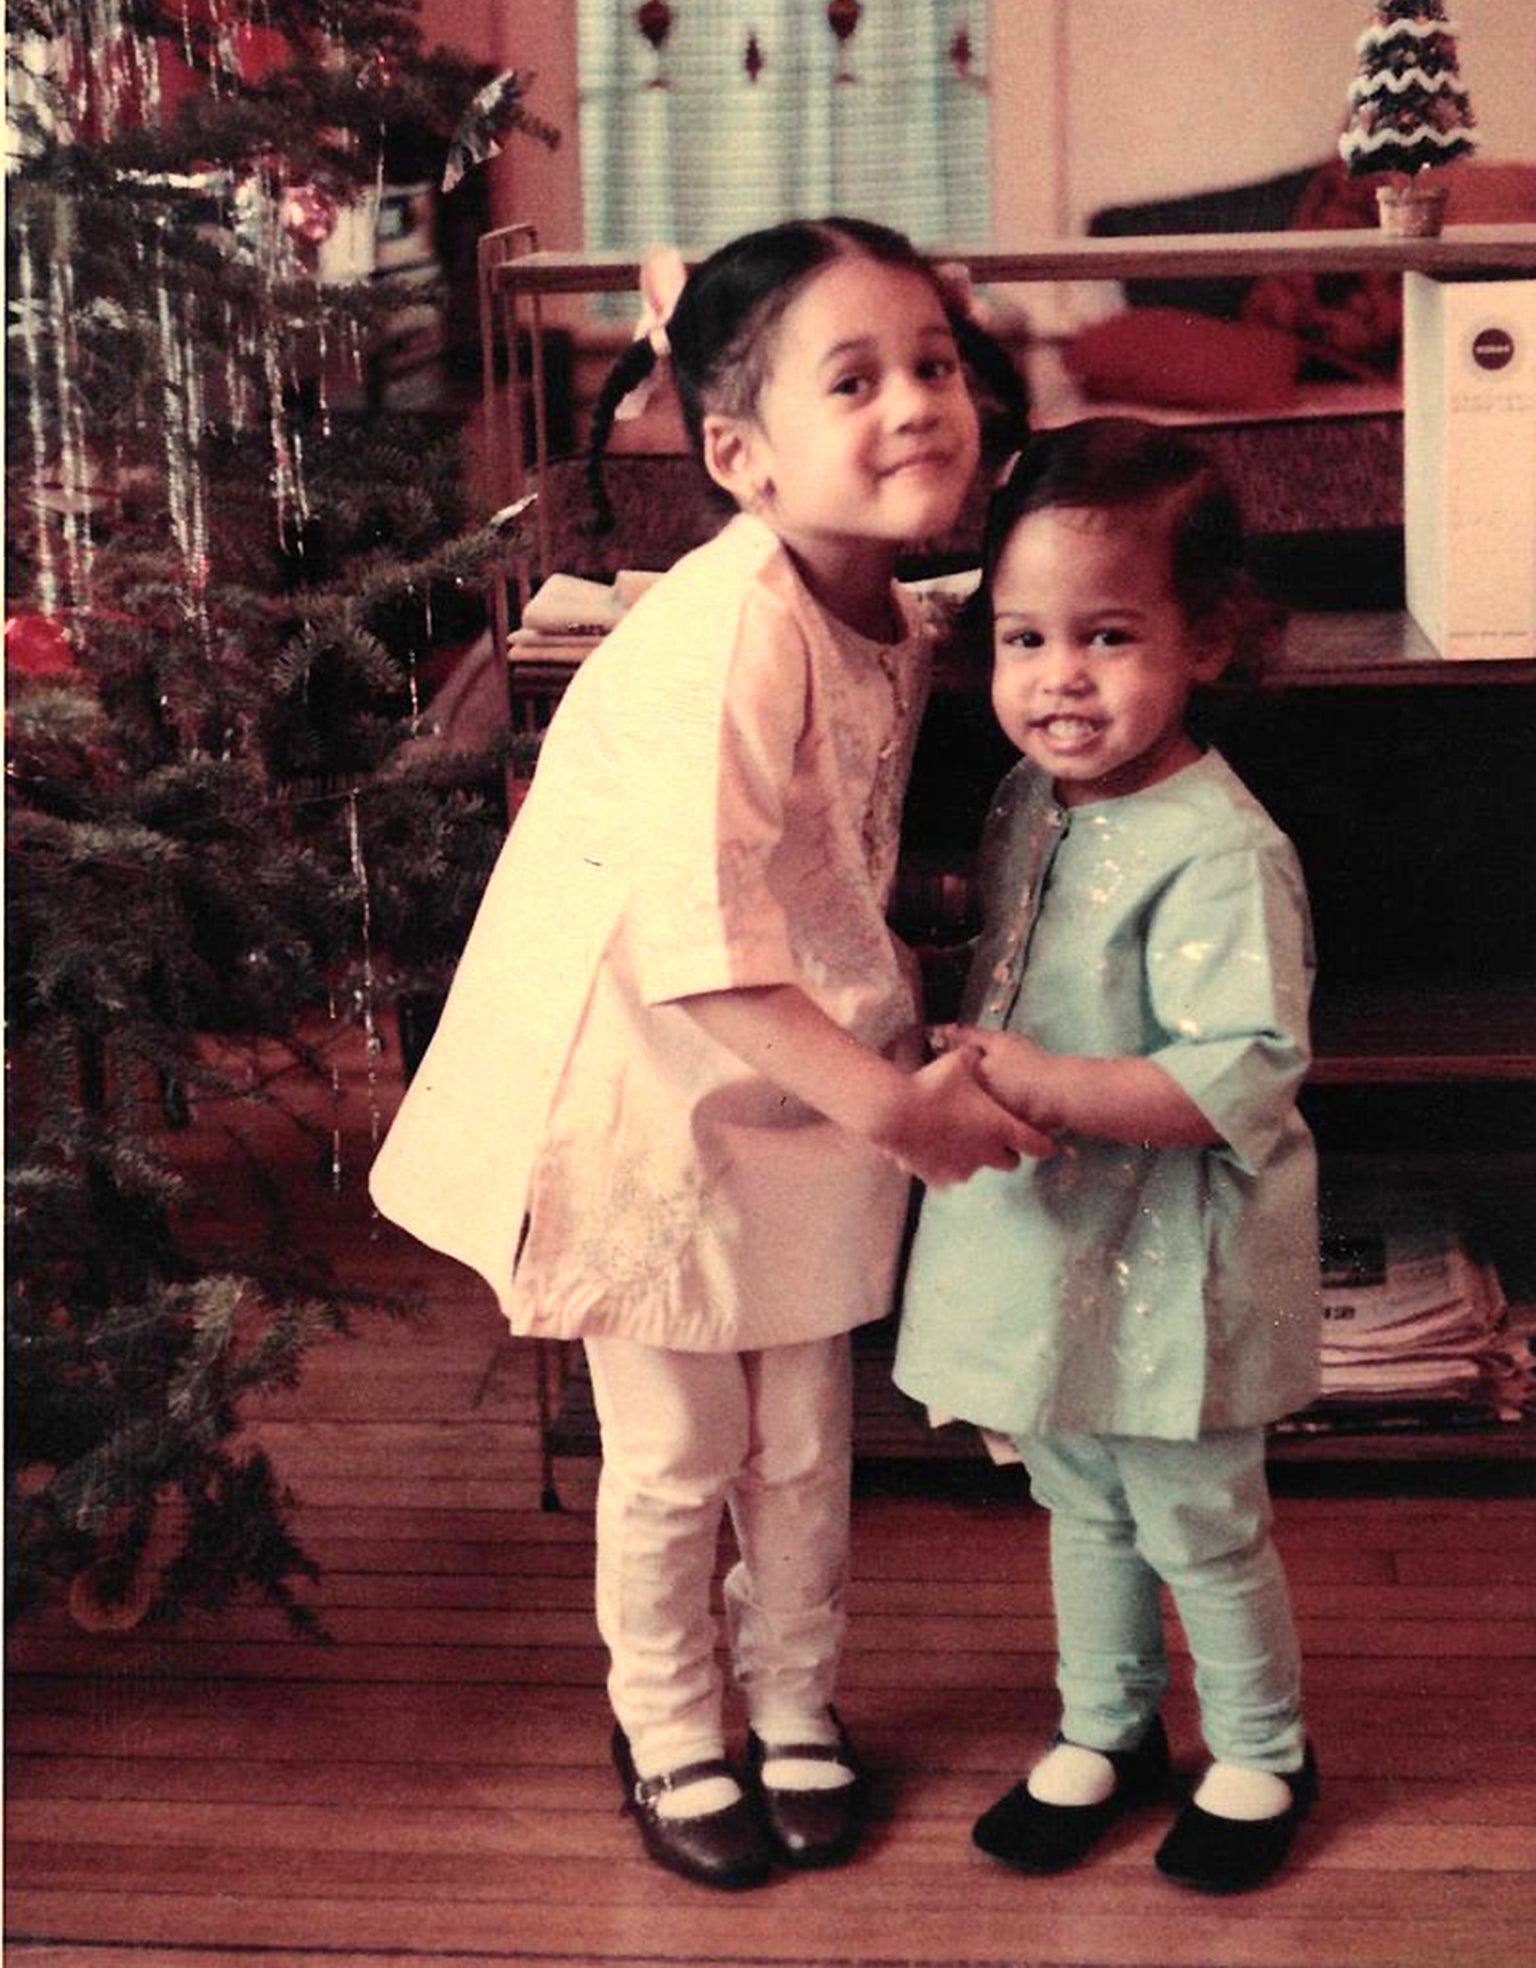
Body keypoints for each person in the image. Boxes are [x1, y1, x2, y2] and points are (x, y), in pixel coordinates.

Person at [370, 217, 1048, 1890]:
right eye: (857, 379)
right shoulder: (722, 637)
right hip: (653, 1099)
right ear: (739, 458)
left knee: (807, 1440)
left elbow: (898, 683)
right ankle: (673, 1725)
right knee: (678, 1455)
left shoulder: (874, 593)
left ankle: (798, 1700)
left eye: (935, 365)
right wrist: (908, 1114)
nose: (915, 405)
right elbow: (694, 955)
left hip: (800, 1076)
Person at [893, 417, 1321, 1895]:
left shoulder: (1222, 845)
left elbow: (1241, 1072)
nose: (1058, 679)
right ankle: (1108, 1726)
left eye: (1108, 636)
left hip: (1172, 1262)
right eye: (1024, 637)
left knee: (1196, 1514)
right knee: (1074, 1491)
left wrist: (1038, 1078)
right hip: (1058, 1239)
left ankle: (1263, 1748)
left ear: (1207, 640)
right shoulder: (1035, 799)